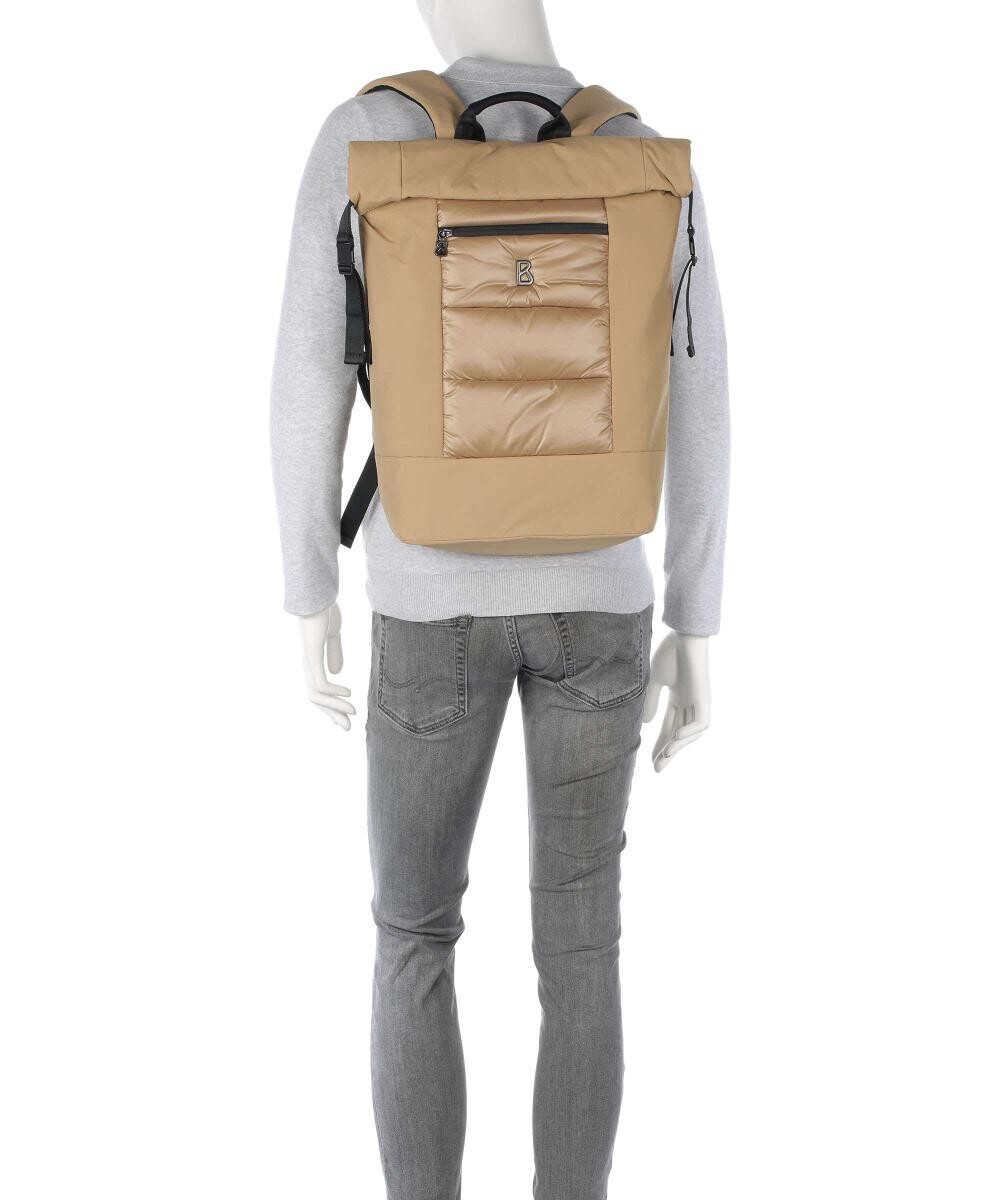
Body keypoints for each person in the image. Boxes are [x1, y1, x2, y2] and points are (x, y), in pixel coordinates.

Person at [270, 9, 729, 1198]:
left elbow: (307, 376)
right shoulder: (633, 149)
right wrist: (695, 619)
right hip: (603, 602)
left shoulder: (369, 132)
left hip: (426, 600)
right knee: (581, 943)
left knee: (414, 933)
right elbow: (702, 390)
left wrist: (311, 590)